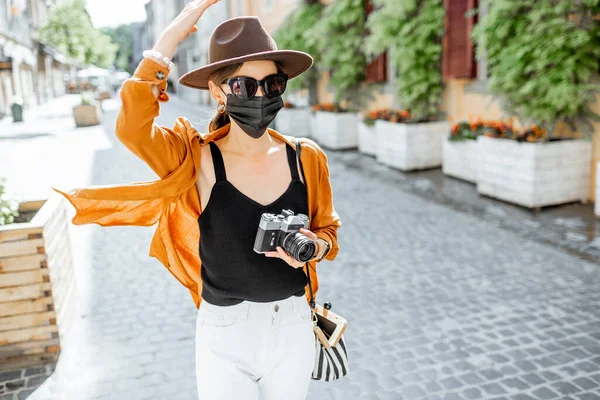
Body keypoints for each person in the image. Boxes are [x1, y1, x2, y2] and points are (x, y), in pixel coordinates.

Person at [53, 1, 341, 399]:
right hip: (226, 333)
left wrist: (313, 247)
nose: (260, 96)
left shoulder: (306, 156)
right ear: (217, 90)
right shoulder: (196, 157)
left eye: (273, 84)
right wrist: (170, 38)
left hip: (292, 325)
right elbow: (133, 128)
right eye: (244, 85)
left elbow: (328, 229)